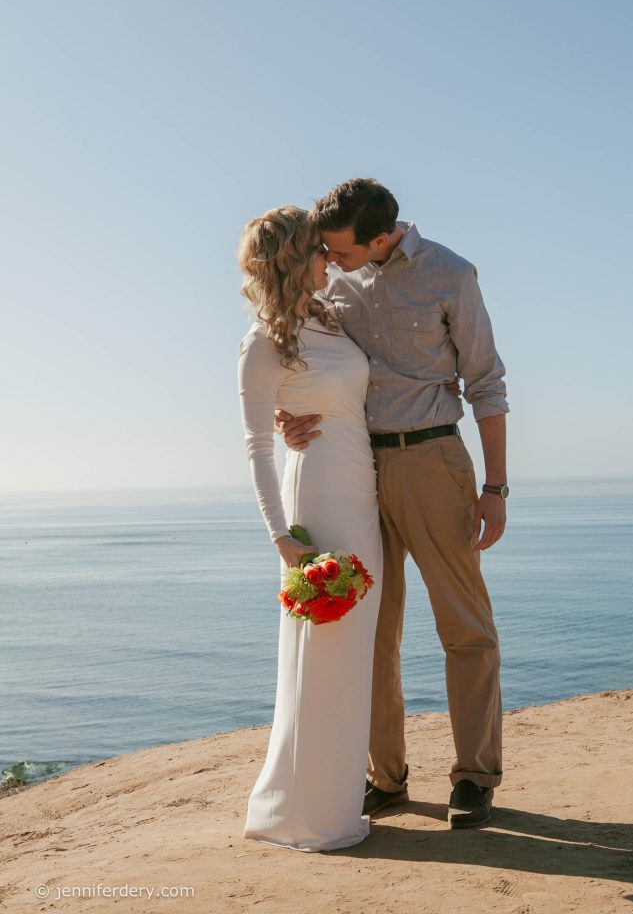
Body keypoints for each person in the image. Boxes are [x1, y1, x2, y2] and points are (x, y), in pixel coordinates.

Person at [277, 178, 508, 829]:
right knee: (372, 629)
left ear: (382, 237)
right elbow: (304, 363)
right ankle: (387, 776)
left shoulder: (450, 274)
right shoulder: (336, 284)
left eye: (342, 250)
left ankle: (473, 775)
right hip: (354, 467)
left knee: (463, 625)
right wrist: (284, 417)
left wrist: (494, 488)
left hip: (433, 461)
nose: (330, 259)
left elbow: (486, 382)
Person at [236, 205, 383, 852]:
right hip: (316, 498)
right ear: (296, 260)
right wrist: (281, 538)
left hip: (362, 494)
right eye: (319, 252)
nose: (330, 259)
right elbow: (253, 445)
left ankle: (333, 802)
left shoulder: (328, 317)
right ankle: (311, 816)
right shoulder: (263, 340)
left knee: (351, 654)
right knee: (323, 650)